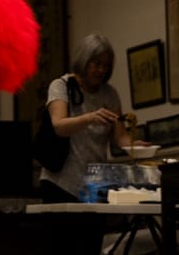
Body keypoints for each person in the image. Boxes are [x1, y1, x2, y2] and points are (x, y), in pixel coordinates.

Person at [39, 33, 137, 253]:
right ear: (84, 61)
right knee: (61, 247)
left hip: (94, 184)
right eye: (96, 64)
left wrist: (137, 146)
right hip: (60, 181)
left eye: (105, 65)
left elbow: (120, 137)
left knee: (91, 246)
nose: (101, 70)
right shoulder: (62, 85)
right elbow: (59, 125)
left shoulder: (110, 94)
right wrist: (90, 117)